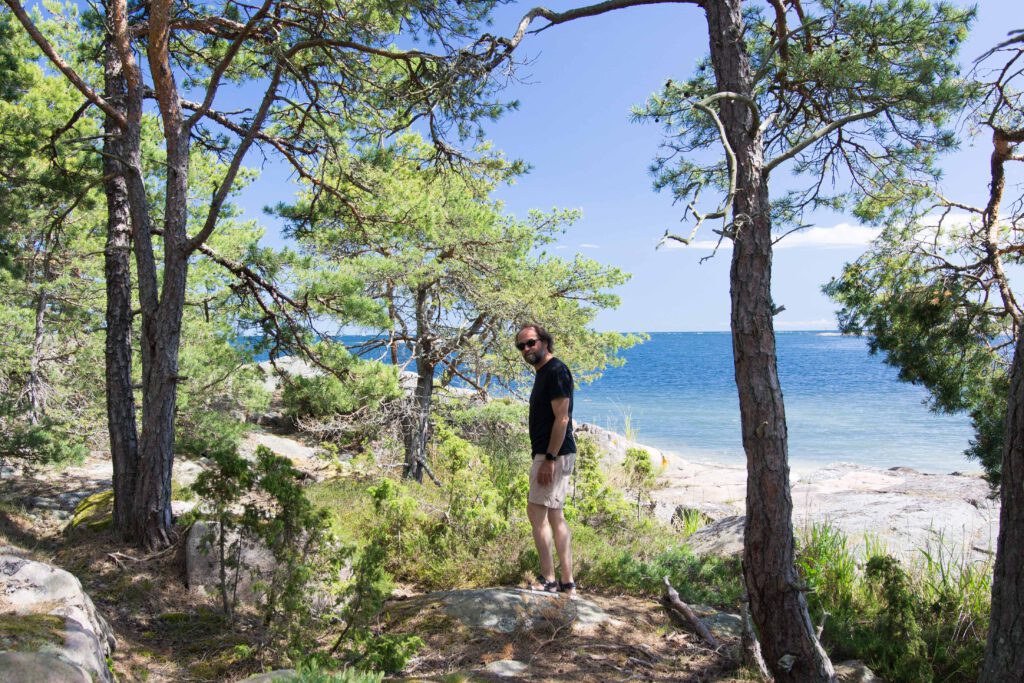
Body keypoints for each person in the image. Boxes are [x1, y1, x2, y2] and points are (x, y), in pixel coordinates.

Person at [516, 324, 577, 597]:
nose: (526, 349)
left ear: (544, 341)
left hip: (553, 453)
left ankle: (549, 579)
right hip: (552, 453)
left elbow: (562, 418)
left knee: (536, 512)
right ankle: (567, 582)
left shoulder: (556, 371)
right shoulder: (544, 373)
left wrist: (550, 458)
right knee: (554, 515)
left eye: (530, 343)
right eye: (521, 346)